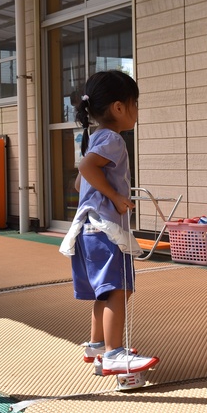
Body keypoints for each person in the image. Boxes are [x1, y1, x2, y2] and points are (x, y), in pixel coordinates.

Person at [59, 70, 159, 375]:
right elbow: (88, 168)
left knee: (104, 290)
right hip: (106, 230)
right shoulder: (113, 139)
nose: (137, 112)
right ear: (118, 107)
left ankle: (97, 346)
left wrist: (103, 189)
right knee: (118, 289)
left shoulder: (96, 138)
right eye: (135, 105)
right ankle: (115, 354)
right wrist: (115, 196)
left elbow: (80, 182)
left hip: (87, 230)